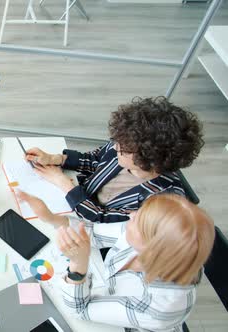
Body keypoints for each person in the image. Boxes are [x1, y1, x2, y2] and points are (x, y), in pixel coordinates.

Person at [18, 192, 214, 331]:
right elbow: (93, 232)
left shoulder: (160, 306)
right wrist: (52, 218)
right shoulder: (153, 242)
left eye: (138, 221)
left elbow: (80, 310)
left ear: (153, 248)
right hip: (103, 297)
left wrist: (78, 265)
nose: (131, 214)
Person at [24, 96, 204, 223]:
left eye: (124, 150)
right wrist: (55, 158)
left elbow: (101, 218)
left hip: (90, 231)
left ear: (149, 161)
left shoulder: (159, 202)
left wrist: (63, 183)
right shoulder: (126, 143)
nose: (115, 147)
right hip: (73, 202)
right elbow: (95, 160)